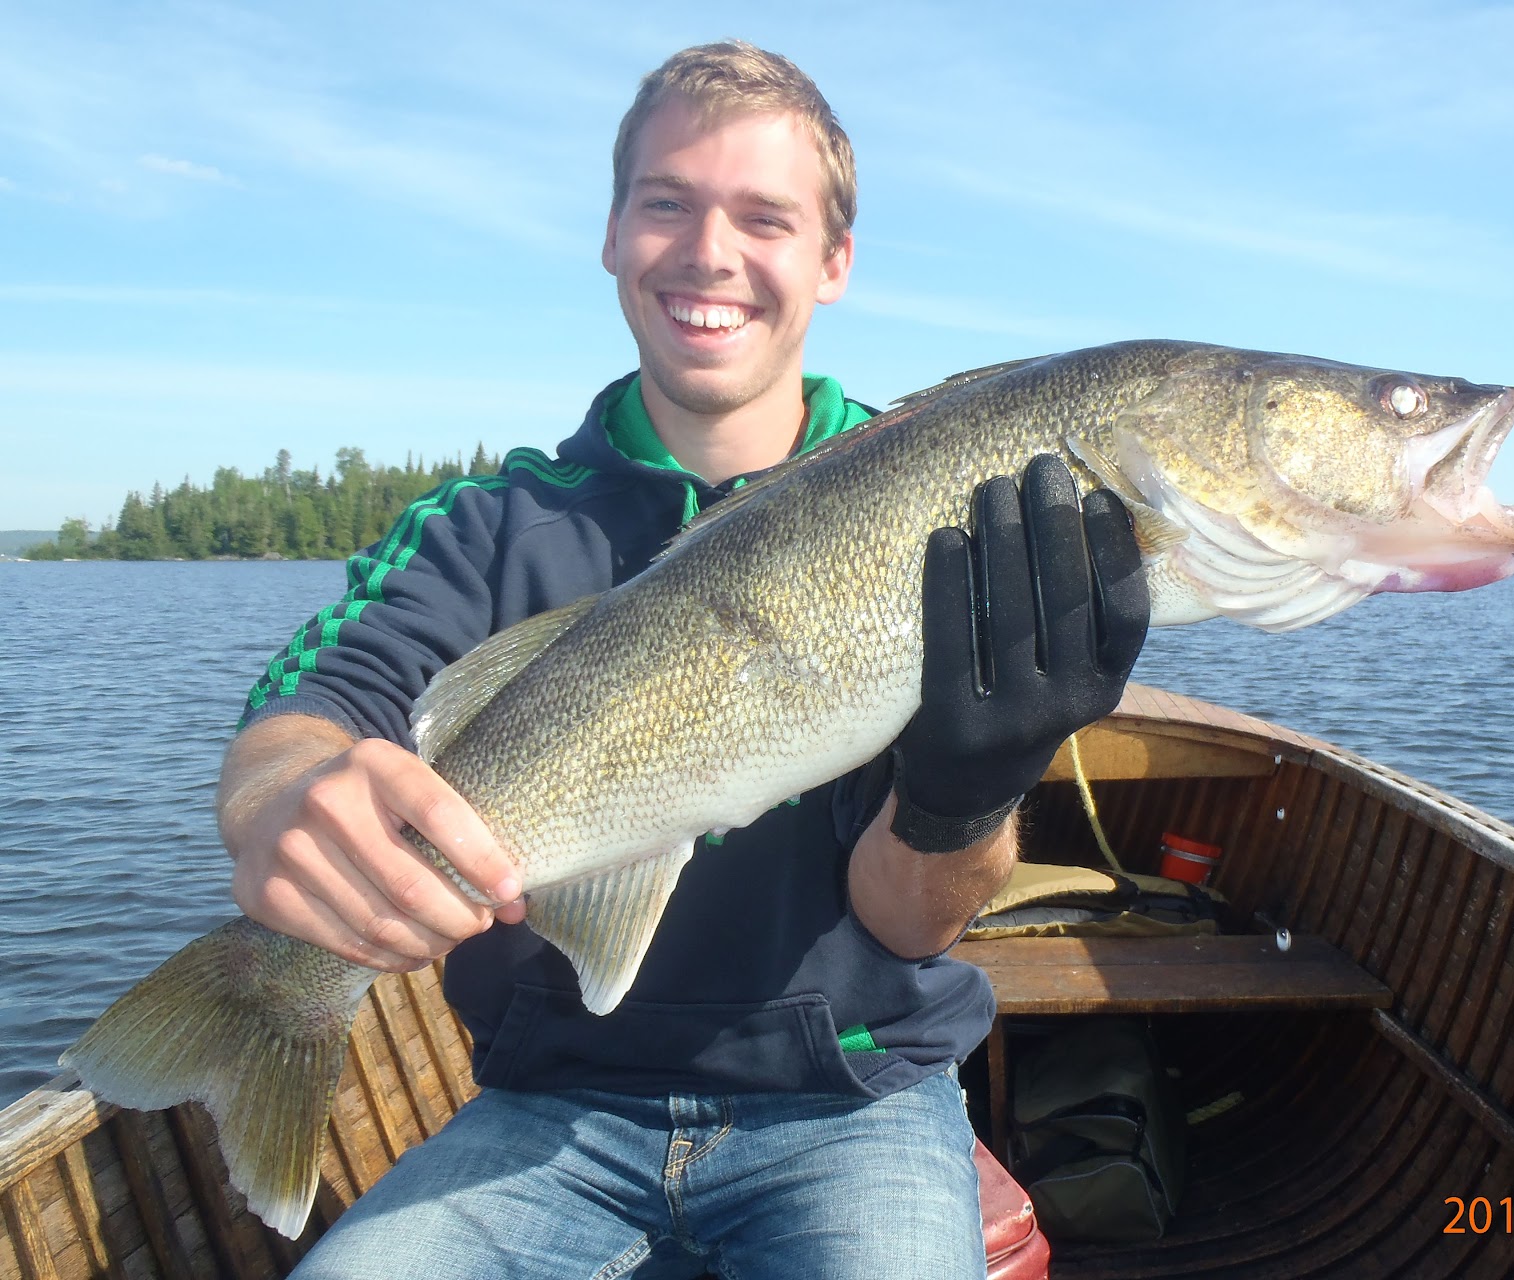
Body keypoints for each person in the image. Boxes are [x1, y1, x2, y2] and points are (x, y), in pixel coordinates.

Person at [221, 40, 1148, 1280]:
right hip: (548, 1111)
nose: (709, 252)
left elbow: (906, 921)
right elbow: (308, 714)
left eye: (764, 217)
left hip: (855, 1102)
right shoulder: (482, 525)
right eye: (667, 203)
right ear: (612, 234)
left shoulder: (953, 521)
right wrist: (286, 794)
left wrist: (965, 792)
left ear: (835, 262)